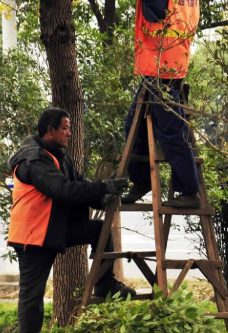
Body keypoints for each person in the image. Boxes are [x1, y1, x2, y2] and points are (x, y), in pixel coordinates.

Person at [8, 107, 135, 333]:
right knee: (32, 298)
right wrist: (102, 187)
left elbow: (79, 184)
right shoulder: (34, 160)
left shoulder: (60, 156)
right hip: (33, 237)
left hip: (54, 230)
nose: (69, 133)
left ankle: (104, 284)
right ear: (50, 130)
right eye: (65, 128)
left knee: (98, 230)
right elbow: (63, 190)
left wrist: (103, 195)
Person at [97, 0, 202, 209]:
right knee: (134, 123)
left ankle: (190, 190)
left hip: (160, 70)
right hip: (172, 68)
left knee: (170, 131)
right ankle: (141, 180)